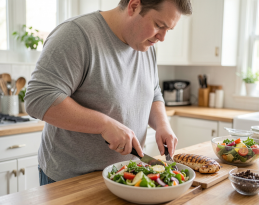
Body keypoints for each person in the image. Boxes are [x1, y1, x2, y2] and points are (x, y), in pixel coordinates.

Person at [25, 0, 192, 185]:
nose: (162, 37)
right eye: (159, 25)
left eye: (168, 29)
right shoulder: (76, 34)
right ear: (134, 6)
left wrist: (162, 125)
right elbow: (38, 98)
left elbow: (152, 92)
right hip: (71, 181)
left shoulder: (146, 45)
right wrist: (104, 125)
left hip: (126, 177)